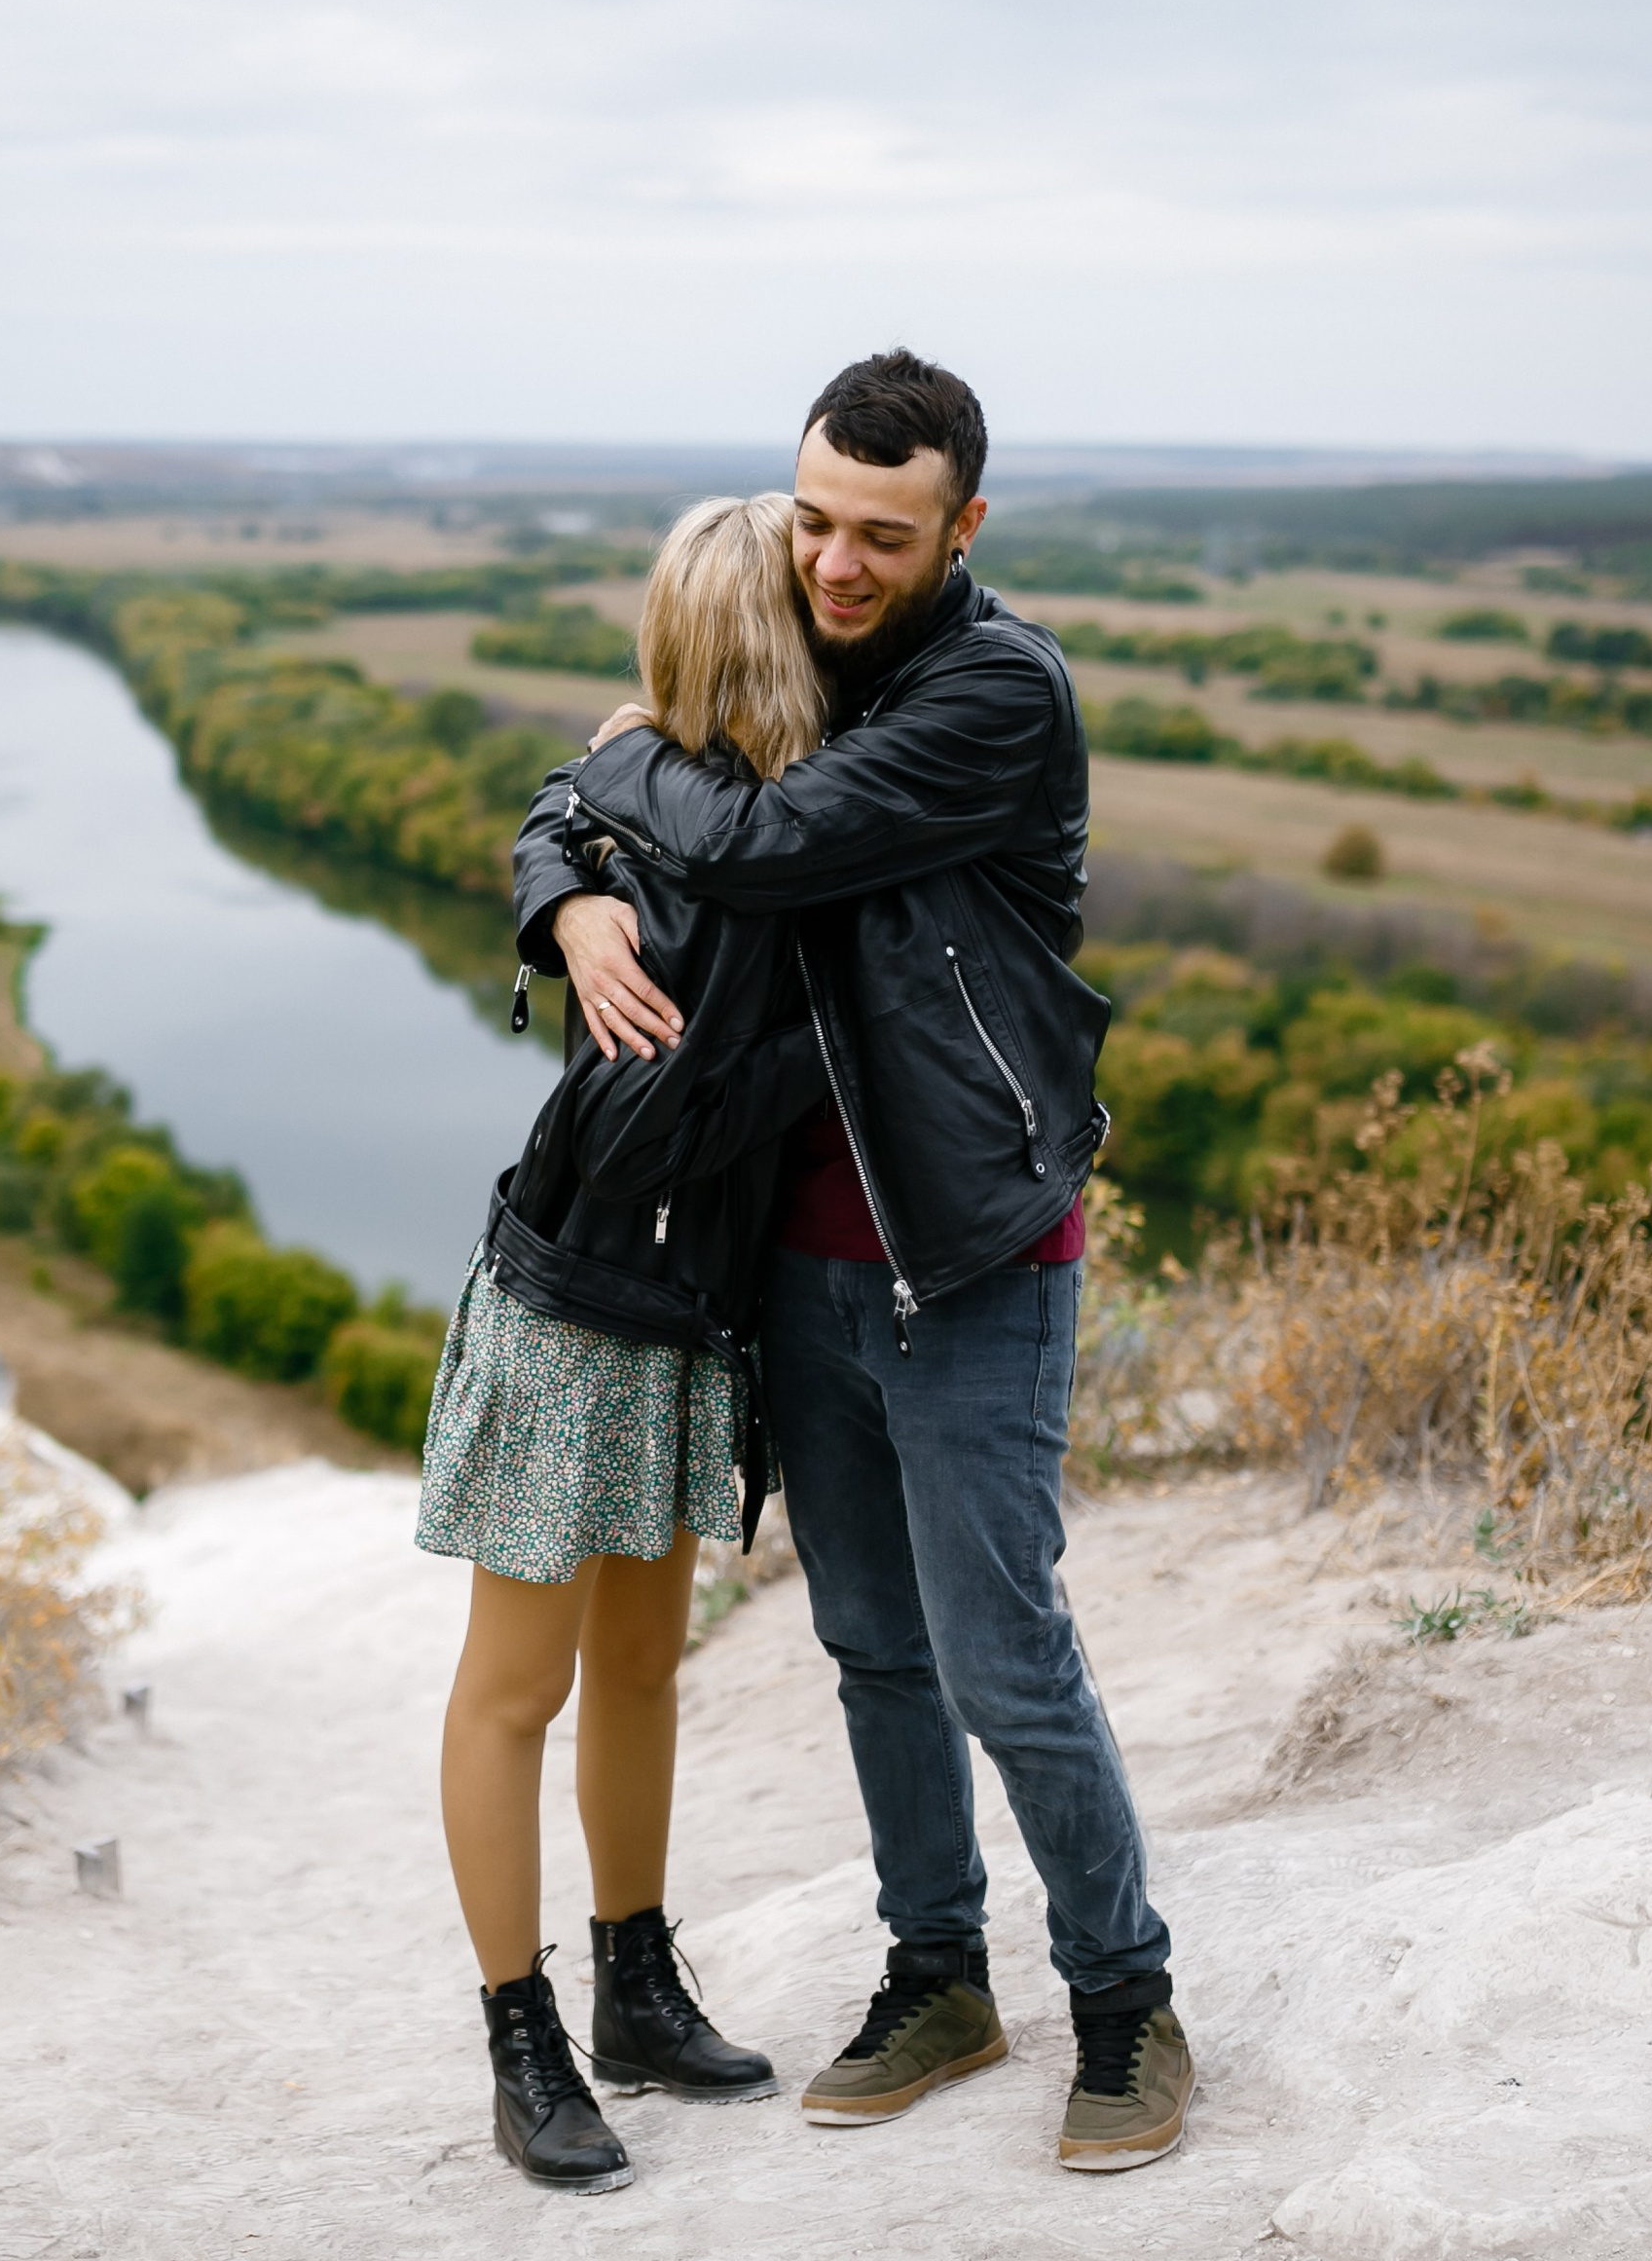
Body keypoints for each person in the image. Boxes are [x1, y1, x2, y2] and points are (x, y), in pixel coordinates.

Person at [517, 351, 1193, 2175]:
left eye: (882, 536)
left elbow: (758, 836)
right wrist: (568, 894)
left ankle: (1126, 2004)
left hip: (964, 1250)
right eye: (812, 520)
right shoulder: (803, 646)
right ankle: (938, 1978)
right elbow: (580, 795)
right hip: (797, 1258)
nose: (831, 563)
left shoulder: (994, 688)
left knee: (1001, 1657)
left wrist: (622, 767)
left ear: (962, 528)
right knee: (874, 1649)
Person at [417, 492, 829, 2196]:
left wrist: (567, 877)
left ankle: (635, 1986)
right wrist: (574, 894)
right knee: (519, 1686)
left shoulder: (741, 813)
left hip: (689, 1319)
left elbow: (574, 788)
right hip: (577, 1307)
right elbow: (667, 1114)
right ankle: (521, 2041)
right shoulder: (672, 817)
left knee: (649, 1667)